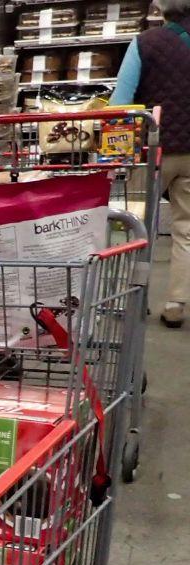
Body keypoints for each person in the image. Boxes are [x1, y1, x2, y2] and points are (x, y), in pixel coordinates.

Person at [112, 0, 190, 327]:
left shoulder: (144, 43)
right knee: (186, 229)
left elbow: (120, 102)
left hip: (153, 150)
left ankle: (132, 297)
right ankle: (175, 304)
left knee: (135, 223)